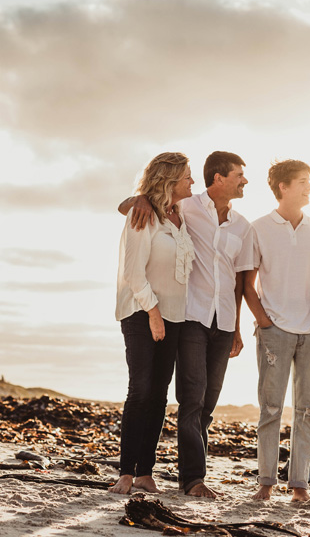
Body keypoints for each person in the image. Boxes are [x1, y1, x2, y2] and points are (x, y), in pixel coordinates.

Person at [119, 151, 253, 498]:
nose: (192, 183)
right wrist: (141, 198)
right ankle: (158, 476)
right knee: (163, 393)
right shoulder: (169, 208)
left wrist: (237, 326)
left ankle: (154, 473)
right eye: (239, 174)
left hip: (200, 318)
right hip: (168, 315)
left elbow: (238, 281)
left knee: (184, 398)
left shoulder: (214, 220)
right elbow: (132, 223)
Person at [244, 160, 310, 503]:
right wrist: (264, 321)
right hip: (274, 330)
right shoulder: (258, 228)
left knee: (306, 410)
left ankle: (299, 486)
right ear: (283, 186)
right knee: (271, 408)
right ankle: (266, 482)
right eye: (303, 182)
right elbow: (246, 284)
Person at [111, 152, 196, 495]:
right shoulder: (142, 213)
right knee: (141, 390)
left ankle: (146, 473)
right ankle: (126, 473)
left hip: (176, 315)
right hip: (141, 312)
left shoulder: (181, 214)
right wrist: (154, 313)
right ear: (170, 179)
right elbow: (133, 272)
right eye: (188, 176)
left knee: (159, 396)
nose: (193, 182)